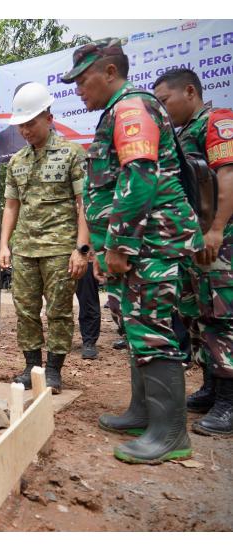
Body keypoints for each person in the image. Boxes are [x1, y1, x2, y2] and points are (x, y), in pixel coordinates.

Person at [63, 39, 204, 463]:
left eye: (83, 80)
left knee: (152, 328)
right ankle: (143, 412)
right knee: (137, 326)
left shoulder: (131, 109)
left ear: (109, 72)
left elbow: (140, 178)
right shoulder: (119, 111)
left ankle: (170, 434)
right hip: (142, 244)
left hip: (149, 243)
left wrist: (121, 244)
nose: (78, 89)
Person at [155, 68, 233, 436]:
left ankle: (228, 401)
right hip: (192, 243)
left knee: (223, 315)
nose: (162, 109)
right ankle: (210, 385)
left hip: (219, 240)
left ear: (190, 91)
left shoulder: (216, 122)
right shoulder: (182, 134)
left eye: (165, 100)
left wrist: (217, 228)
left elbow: (228, 175)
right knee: (198, 314)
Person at [0, 81, 90, 393]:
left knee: (59, 310)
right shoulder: (16, 161)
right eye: (21, 126)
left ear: (48, 118)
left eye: (31, 124)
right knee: (24, 308)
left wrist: (81, 248)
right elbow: (11, 206)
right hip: (25, 249)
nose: (25, 131)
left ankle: (53, 371)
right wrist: (3, 244)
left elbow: (84, 205)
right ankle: (32, 367)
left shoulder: (72, 154)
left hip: (60, 248)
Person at [76, 258, 101, 359]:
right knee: (58, 303)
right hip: (57, 255)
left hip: (86, 256)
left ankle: (89, 341)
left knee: (88, 300)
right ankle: (57, 341)